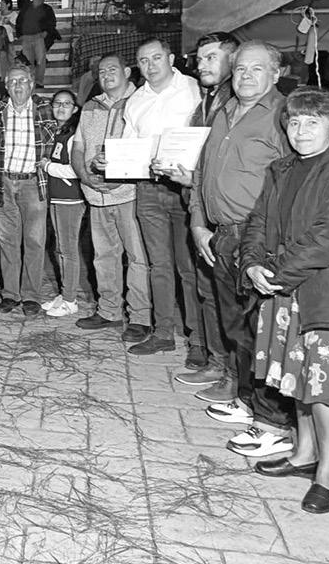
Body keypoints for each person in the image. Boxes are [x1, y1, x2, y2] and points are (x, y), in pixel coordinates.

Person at [242, 86, 329, 515]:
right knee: (295, 378)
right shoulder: (281, 169)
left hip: (328, 296)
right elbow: (258, 221)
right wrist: (251, 264)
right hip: (284, 293)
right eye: (295, 122)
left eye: (312, 122)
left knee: (325, 390)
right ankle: (303, 453)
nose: (300, 131)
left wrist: (275, 274)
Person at [187, 41, 296, 456]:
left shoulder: (285, 116)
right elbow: (202, 171)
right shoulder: (224, 112)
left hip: (259, 238)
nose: (246, 76)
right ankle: (248, 399)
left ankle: (273, 421)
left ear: (276, 73)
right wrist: (199, 223)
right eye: (240, 69)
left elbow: (294, 181)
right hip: (221, 234)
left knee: (262, 330)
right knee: (236, 328)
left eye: (256, 69)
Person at [161, 32, 238, 387]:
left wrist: (194, 179)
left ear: (232, 59)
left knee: (229, 297)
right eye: (200, 58)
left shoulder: (236, 103)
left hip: (229, 213)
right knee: (209, 291)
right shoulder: (207, 100)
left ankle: (235, 375)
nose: (201, 64)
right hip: (201, 205)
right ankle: (216, 362)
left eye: (211, 58)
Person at [117, 38, 201, 355]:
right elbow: (129, 143)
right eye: (143, 60)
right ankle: (163, 332)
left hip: (184, 189)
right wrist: (112, 161)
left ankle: (198, 339)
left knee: (188, 267)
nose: (150, 65)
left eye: (156, 58)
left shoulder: (193, 89)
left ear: (170, 58)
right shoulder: (136, 100)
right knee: (159, 265)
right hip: (149, 189)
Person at [71, 54, 150, 338]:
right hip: (96, 195)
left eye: (112, 70)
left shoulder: (142, 102)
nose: (106, 75)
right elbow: (78, 146)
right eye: (101, 72)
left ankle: (140, 317)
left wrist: (120, 178)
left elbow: (147, 146)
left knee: (137, 257)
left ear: (127, 71)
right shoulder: (91, 106)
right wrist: (84, 175)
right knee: (103, 256)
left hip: (128, 193)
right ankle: (109, 311)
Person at [0, 64, 57, 316]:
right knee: (7, 241)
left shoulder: (46, 108)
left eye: (23, 81)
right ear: (6, 86)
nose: (18, 85)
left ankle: (31, 295)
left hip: (33, 183)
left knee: (35, 241)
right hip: (3, 182)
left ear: (32, 84)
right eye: (13, 81)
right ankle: (10, 293)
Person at [40, 90, 85, 318]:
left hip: (70, 198)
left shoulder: (74, 134)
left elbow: (76, 170)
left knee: (68, 249)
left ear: (75, 109)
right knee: (60, 248)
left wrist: (48, 166)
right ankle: (64, 293)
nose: (61, 107)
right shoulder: (59, 132)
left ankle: (70, 300)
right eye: (57, 103)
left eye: (67, 104)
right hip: (57, 196)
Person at [16, 0, 57, 87]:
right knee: (27, 61)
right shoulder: (26, 7)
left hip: (39, 37)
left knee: (40, 60)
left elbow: (52, 22)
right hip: (26, 37)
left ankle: (39, 81)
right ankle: (30, 80)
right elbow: (19, 21)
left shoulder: (47, 9)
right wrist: (19, 35)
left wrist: (46, 32)